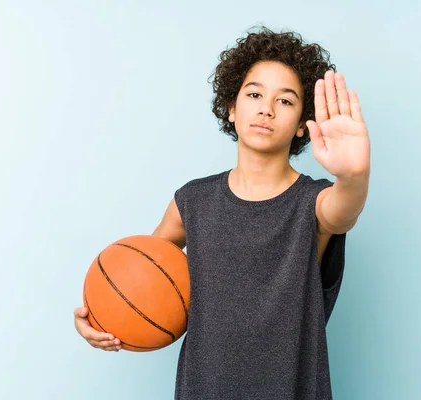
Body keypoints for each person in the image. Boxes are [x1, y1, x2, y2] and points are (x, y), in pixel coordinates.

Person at [74, 25, 370, 399]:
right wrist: (98, 317)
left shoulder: (313, 202)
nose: (266, 107)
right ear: (231, 107)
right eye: (254, 93)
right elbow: (139, 279)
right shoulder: (192, 203)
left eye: (285, 101)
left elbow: (344, 210)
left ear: (301, 125)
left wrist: (355, 175)